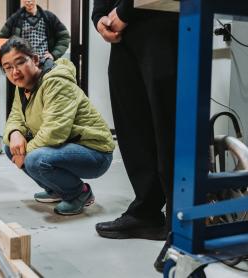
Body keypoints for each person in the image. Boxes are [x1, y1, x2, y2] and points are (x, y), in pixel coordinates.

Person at [92, 0, 178, 271]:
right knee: (134, 127)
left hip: (162, 18)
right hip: (123, 38)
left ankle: (180, 222)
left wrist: (124, 10)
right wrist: (98, 18)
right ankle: (147, 209)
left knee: (169, 124)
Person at [0, 37, 115, 215]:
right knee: (11, 147)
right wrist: (15, 132)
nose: (15, 72)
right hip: (66, 146)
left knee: (34, 159)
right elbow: (16, 116)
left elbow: (55, 133)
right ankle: (56, 190)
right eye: (8, 68)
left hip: (95, 152)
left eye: (20, 63)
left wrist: (24, 152)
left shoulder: (56, 81)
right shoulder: (22, 86)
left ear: (35, 60)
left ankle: (79, 194)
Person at [0, 0, 70, 61]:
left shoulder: (49, 17)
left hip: (44, 62)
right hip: (23, 63)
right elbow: (1, 40)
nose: (29, 1)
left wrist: (54, 54)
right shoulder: (15, 18)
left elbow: (65, 37)